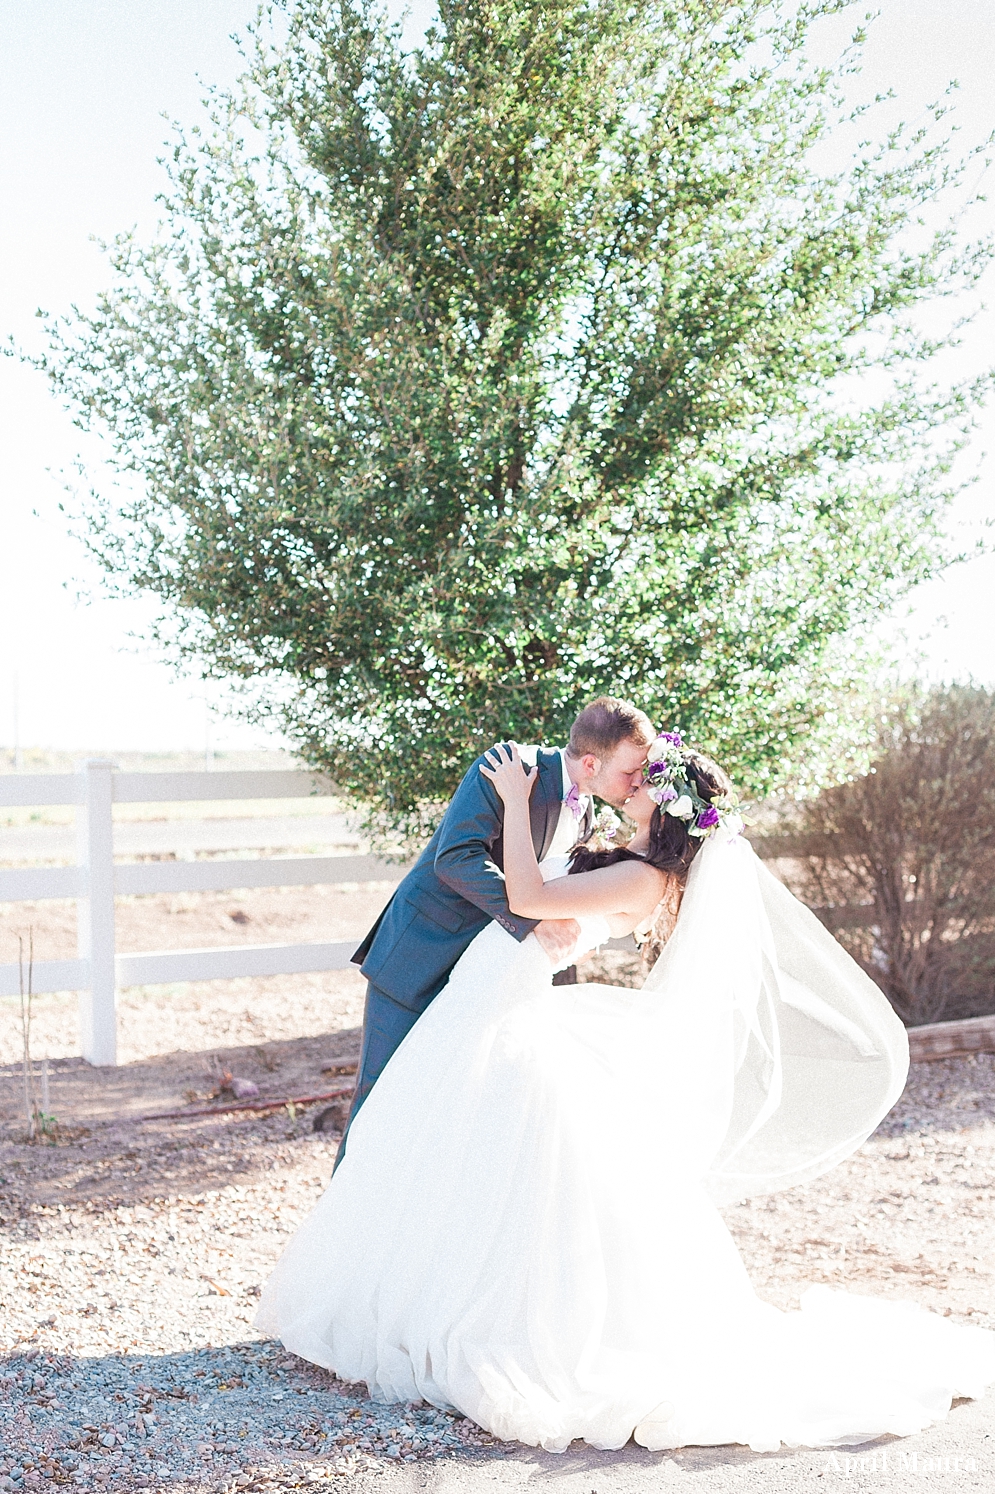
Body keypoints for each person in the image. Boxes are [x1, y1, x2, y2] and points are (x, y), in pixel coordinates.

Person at [257, 731, 995, 1453]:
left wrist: (516, 802)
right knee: (461, 1150)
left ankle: (494, 1317)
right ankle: (414, 1295)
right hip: (491, 1003)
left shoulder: (642, 875)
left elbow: (527, 893)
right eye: (634, 773)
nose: (632, 785)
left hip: (505, 1010)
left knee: (483, 1153)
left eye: (646, 781)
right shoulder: (630, 859)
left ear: (666, 809)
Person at [339, 696, 654, 1152]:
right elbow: (456, 858)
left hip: (487, 981)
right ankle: (348, 1219)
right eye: (630, 772)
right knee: (381, 1101)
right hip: (423, 956)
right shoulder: (508, 766)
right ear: (590, 763)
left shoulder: (586, 807)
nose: (637, 782)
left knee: (446, 1112)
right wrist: (532, 922)